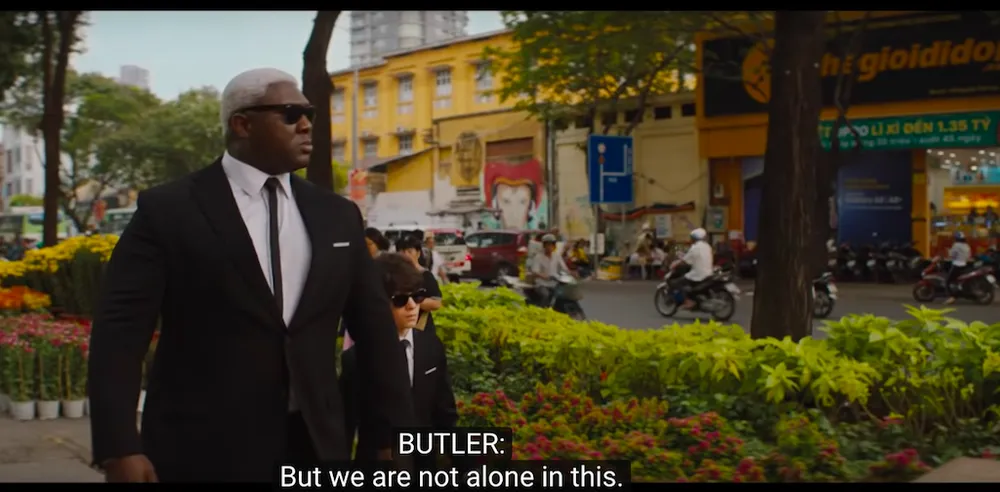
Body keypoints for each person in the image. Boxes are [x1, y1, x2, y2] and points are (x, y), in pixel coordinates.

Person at [87, 68, 414, 483]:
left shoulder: (337, 215)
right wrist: (119, 446)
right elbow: (120, 331)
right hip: (201, 449)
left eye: (309, 114)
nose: (306, 125)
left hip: (313, 444)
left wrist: (392, 435)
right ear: (242, 124)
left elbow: (374, 330)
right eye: (291, 113)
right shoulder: (168, 210)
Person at [340, 253, 457, 469]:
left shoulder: (431, 347)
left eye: (418, 297)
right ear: (379, 303)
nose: (412, 306)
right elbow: (346, 426)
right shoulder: (356, 359)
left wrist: (465, 465)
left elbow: (445, 413)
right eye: (401, 300)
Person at [395, 235, 443, 336]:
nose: (406, 255)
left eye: (410, 251)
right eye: (402, 252)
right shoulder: (392, 276)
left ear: (418, 253)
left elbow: (436, 303)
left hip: (421, 329)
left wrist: (412, 300)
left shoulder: (425, 275)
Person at [528, 234, 572, 306]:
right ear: (544, 246)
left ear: (554, 246)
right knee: (545, 295)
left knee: (562, 296)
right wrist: (545, 276)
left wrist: (571, 273)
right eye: (547, 245)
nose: (549, 247)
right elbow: (535, 271)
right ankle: (542, 310)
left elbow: (564, 268)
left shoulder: (557, 256)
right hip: (542, 284)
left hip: (554, 283)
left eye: (551, 245)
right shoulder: (538, 257)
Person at [677, 228, 714, 310]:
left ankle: (689, 302)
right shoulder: (707, 246)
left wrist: (675, 264)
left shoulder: (695, 248)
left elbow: (685, 260)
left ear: (694, 238)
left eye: (691, 238)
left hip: (699, 274)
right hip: (709, 272)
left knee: (679, 282)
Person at [945, 231, 972, 304]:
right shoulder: (967, 245)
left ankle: (952, 297)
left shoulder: (956, 245)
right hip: (964, 265)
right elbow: (969, 256)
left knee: (948, 281)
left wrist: (948, 251)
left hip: (957, 265)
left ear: (956, 238)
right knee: (958, 280)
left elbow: (952, 255)